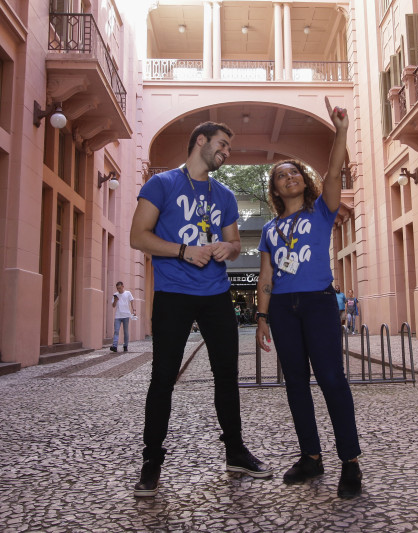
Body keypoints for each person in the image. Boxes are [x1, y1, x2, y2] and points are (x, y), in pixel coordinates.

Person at [129, 121, 273, 498]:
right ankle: (151, 462)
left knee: (227, 375)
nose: (226, 153)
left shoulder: (223, 194)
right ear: (200, 141)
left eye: (229, 148)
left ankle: (236, 453)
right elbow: (137, 236)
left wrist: (230, 249)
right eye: (222, 145)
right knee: (163, 377)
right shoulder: (161, 185)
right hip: (174, 292)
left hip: (215, 293)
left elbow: (235, 243)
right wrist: (182, 250)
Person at [255, 100, 362, 499]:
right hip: (282, 308)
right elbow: (266, 274)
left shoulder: (322, 211)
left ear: (304, 179)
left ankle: (350, 462)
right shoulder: (268, 228)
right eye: (281, 176)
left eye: (294, 172)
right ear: (275, 188)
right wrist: (262, 316)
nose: (288, 177)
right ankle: (311, 458)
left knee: (332, 379)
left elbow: (334, 170)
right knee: (296, 383)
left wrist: (341, 132)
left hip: (318, 302)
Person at [111, 281, 136, 352]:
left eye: (119, 288)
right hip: (118, 316)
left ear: (122, 286)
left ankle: (125, 345)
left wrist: (134, 310)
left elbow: (132, 302)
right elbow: (113, 306)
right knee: (116, 331)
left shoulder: (127, 293)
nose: (118, 290)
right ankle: (114, 346)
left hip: (126, 315)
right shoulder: (115, 295)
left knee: (125, 331)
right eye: (117, 288)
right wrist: (115, 300)